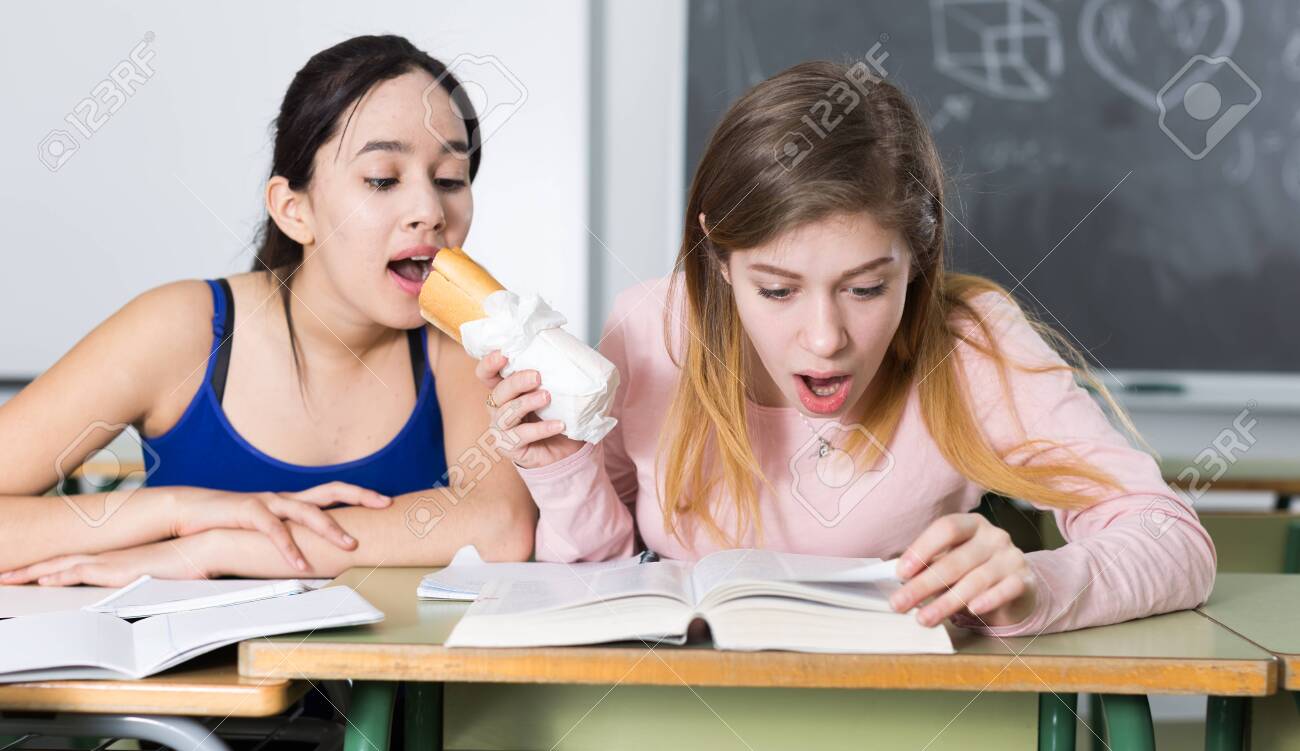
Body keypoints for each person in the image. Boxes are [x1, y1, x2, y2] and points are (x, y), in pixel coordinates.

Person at [478, 61, 1215, 635]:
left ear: (918, 257)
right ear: (719, 253)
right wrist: (563, 471)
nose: (826, 339)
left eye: (865, 288)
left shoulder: (969, 343)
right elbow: (600, 585)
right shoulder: (650, 329)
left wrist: (1037, 581)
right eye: (777, 290)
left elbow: (1174, 541)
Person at [0, 35, 536, 586]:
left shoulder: (463, 340)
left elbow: (502, 524)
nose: (430, 211)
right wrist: (178, 513)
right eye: (382, 178)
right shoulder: (181, 329)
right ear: (292, 209)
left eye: (450, 180)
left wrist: (216, 549)